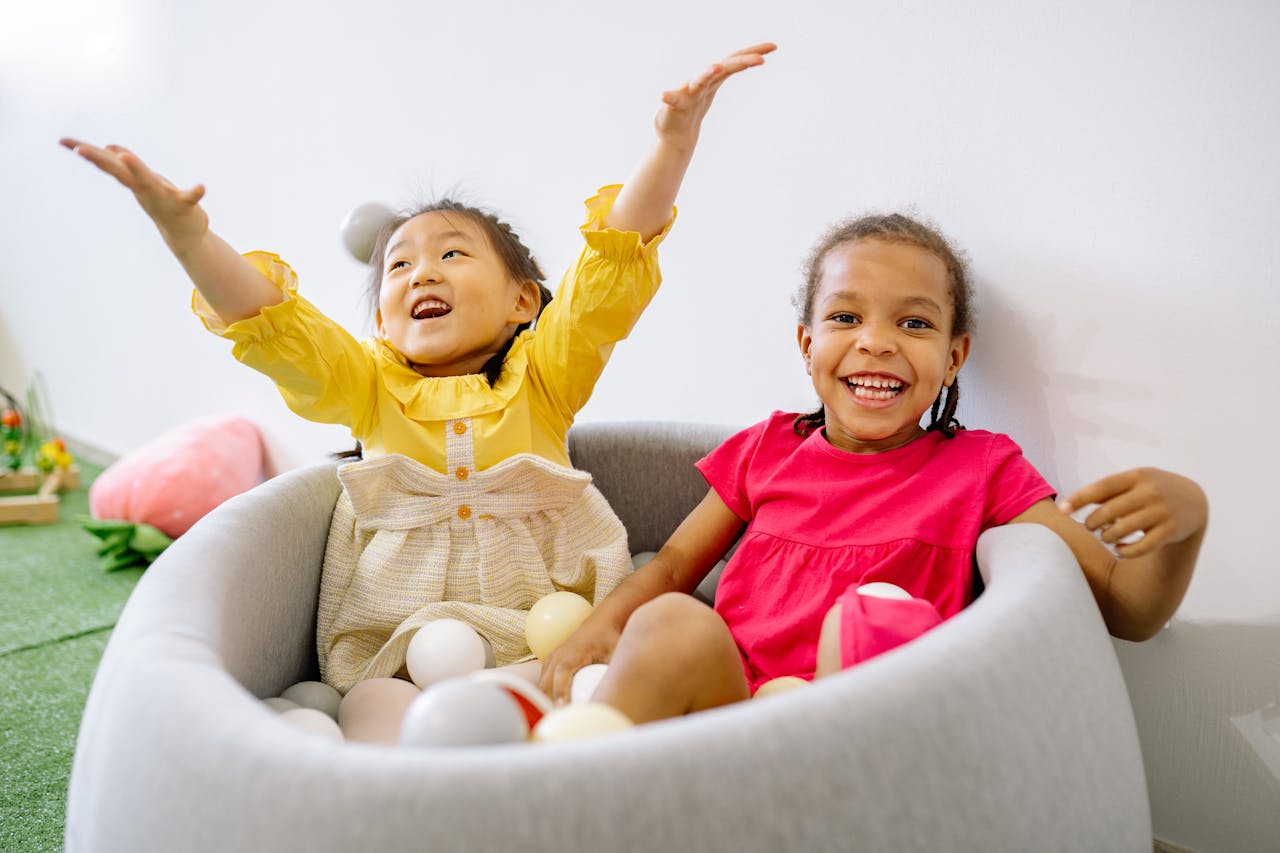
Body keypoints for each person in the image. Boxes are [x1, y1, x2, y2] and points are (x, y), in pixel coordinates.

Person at [60, 43, 777, 715]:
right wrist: (188, 237)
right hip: (399, 641)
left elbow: (608, 273)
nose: (422, 272)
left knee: (582, 698)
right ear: (380, 323)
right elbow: (273, 324)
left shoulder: (544, 376)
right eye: (398, 266)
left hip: (552, 631)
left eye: (453, 253)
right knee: (374, 708)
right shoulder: (368, 387)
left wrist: (672, 144)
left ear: (522, 301)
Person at [540, 213, 1208, 723]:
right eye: (846, 316)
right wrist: (602, 629)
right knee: (671, 620)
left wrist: (1184, 527)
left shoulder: (981, 467)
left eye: (914, 324)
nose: (877, 340)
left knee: (869, 617)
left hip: (869, 735)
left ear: (954, 356)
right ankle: (586, 797)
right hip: (733, 713)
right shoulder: (767, 448)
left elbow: (1129, 607)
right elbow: (670, 566)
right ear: (808, 345)